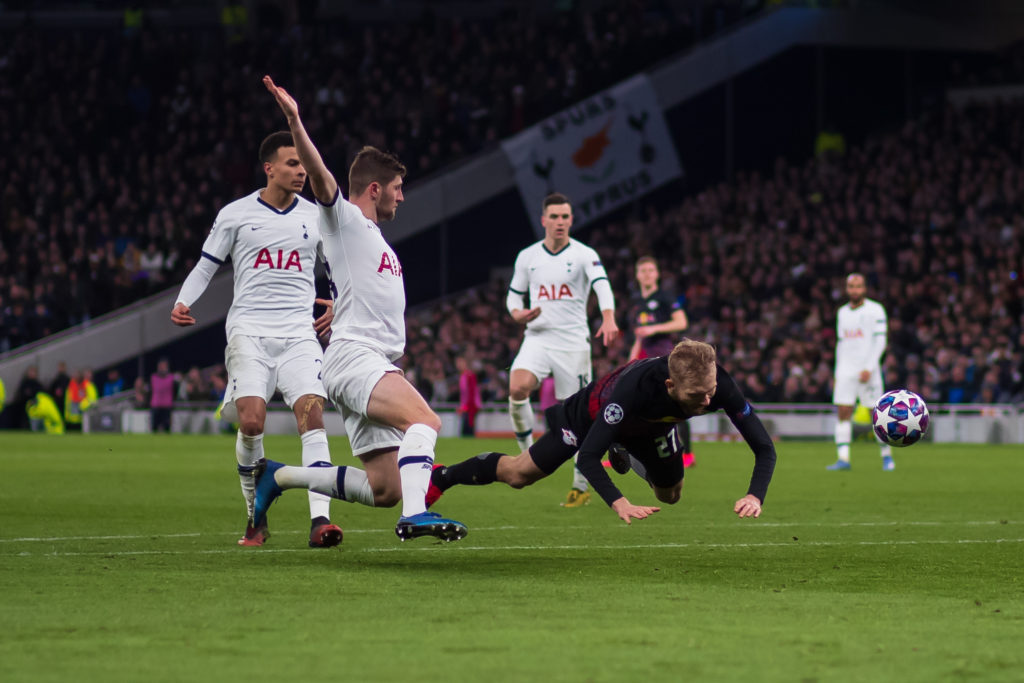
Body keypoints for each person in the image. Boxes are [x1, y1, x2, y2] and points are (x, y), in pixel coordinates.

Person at [259, 75, 466, 542]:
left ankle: (279, 477)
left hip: (365, 357)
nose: (402, 195)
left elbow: (360, 284)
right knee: (426, 422)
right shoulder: (345, 218)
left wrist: (342, 305)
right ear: (375, 189)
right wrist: (294, 121)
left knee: (385, 487)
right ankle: (416, 516)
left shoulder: (370, 240)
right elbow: (321, 179)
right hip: (357, 358)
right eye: (398, 187)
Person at [171, 129, 343, 548]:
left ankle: (320, 522)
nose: (301, 171)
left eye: (303, 164)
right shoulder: (235, 214)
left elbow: (340, 266)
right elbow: (206, 265)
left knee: (312, 417)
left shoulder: (315, 216)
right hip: (248, 330)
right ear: (269, 168)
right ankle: (255, 518)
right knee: (251, 422)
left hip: (300, 334)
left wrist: (338, 301)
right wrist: (182, 300)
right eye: (292, 163)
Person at [434, 339, 775, 524]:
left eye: (710, 391)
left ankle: (627, 448)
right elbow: (588, 457)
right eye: (695, 396)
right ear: (670, 385)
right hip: (591, 416)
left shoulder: (720, 387)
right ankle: (442, 477)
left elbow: (764, 447)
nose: (706, 400)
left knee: (670, 495)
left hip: (649, 426)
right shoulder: (632, 390)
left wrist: (754, 495)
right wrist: (619, 502)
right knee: (519, 474)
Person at [506, 192, 618, 508]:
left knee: (579, 415)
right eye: (554, 216)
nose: (560, 222)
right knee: (517, 386)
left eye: (565, 217)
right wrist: (518, 314)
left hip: (572, 343)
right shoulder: (528, 256)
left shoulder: (584, 254)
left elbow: (602, 284)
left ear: (571, 220)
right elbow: (514, 296)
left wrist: (608, 316)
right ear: (543, 220)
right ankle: (527, 453)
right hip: (538, 337)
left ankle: (580, 486)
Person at [627, 256, 695, 468]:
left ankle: (687, 455)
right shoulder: (638, 303)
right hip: (645, 356)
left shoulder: (665, 297)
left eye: (651, 270)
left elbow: (681, 321)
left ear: (656, 274)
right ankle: (633, 454)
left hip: (663, 355)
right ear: (637, 275)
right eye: (643, 270)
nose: (647, 274)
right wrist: (632, 358)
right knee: (635, 404)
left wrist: (654, 328)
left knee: (675, 402)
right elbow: (640, 334)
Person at [828, 273, 893, 471]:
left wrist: (870, 367)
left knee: (877, 414)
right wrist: (838, 371)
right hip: (846, 369)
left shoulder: (876, 310)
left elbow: (881, 342)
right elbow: (842, 343)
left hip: (868, 370)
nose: (854, 290)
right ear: (846, 289)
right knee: (843, 412)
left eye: (858, 286)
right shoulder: (842, 312)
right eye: (851, 286)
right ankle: (843, 459)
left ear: (864, 289)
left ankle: (886, 457)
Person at [149, 359, 176, 433]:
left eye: (164, 366)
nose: (162, 368)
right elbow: (150, 391)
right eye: (160, 366)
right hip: (155, 406)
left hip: (167, 406)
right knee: (154, 428)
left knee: (167, 428)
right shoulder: (153, 377)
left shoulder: (172, 378)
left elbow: (175, 391)